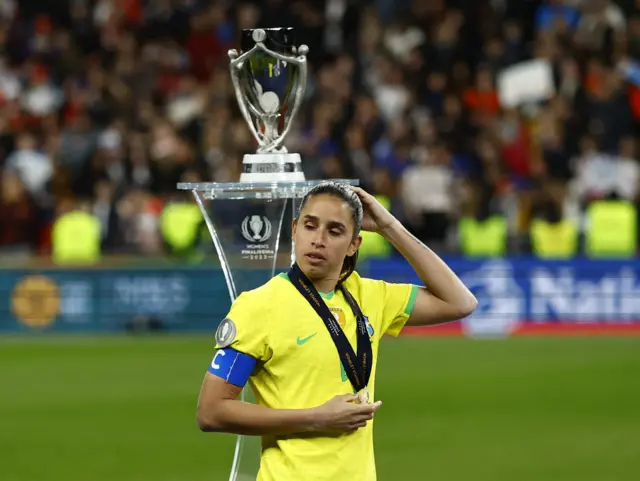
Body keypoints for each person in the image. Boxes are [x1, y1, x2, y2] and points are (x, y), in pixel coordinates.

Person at [197, 181, 478, 481]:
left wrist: (388, 226)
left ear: (354, 244)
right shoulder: (258, 306)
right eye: (310, 225)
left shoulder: (371, 296)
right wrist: (315, 419)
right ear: (294, 230)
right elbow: (211, 411)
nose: (318, 239)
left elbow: (459, 302)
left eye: (334, 231)